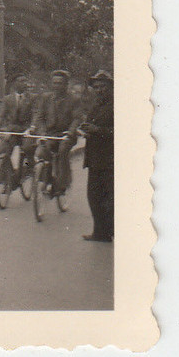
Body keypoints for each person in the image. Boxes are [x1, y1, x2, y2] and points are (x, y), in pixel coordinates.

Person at [30, 69, 84, 195]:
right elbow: (40, 117)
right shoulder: (46, 98)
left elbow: (77, 118)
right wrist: (42, 133)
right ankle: (47, 179)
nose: (56, 86)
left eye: (60, 83)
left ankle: (62, 183)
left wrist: (70, 133)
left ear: (66, 85)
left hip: (66, 134)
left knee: (62, 151)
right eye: (54, 83)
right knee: (44, 151)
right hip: (50, 134)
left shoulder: (74, 99)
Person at [79, 70, 114, 242]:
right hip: (94, 158)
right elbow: (92, 124)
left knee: (110, 199)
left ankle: (110, 231)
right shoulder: (96, 105)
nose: (99, 90)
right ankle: (100, 232)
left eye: (103, 87)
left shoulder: (117, 105)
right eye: (96, 87)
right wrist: (86, 129)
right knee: (94, 197)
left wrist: (98, 131)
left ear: (111, 87)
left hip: (110, 159)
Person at [0, 75, 35, 178]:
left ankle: (29, 168)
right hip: (12, 130)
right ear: (15, 84)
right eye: (21, 81)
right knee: (2, 150)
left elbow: (35, 114)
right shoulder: (8, 99)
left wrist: (32, 128)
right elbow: (1, 114)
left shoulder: (32, 98)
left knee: (27, 147)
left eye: (25, 81)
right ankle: (10, 176)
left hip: (26, 131)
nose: (24, 84)